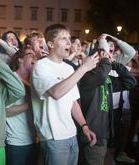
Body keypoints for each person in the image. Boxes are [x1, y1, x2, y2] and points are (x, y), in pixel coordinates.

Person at [31, 24, 98, 165]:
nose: (69, 42)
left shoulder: (68, 68)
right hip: (53, 136)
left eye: (69, 38)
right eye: (63, 38)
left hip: (72, 133)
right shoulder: (41, 66)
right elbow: (56, 93)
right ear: (50, 44)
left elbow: (73, 101)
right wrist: (84, 68)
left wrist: (84, 126)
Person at [78, 34, 137, 165]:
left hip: (104, 132)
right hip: (92, 132)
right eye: (102, 57)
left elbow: (130, 83)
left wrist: (115, 64)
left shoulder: (108, 79)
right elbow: (101, 77)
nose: (106, 59)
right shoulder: (86, 77)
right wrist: (106, 60)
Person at [6, 48, 38, 165]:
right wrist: (30, 104)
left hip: (35, 139)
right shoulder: (11, 79)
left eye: (36, 56)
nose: (35, 58)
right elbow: (5, 111)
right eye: (30, 55)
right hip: (16, 142)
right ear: (20, 60)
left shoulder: (35, 81)